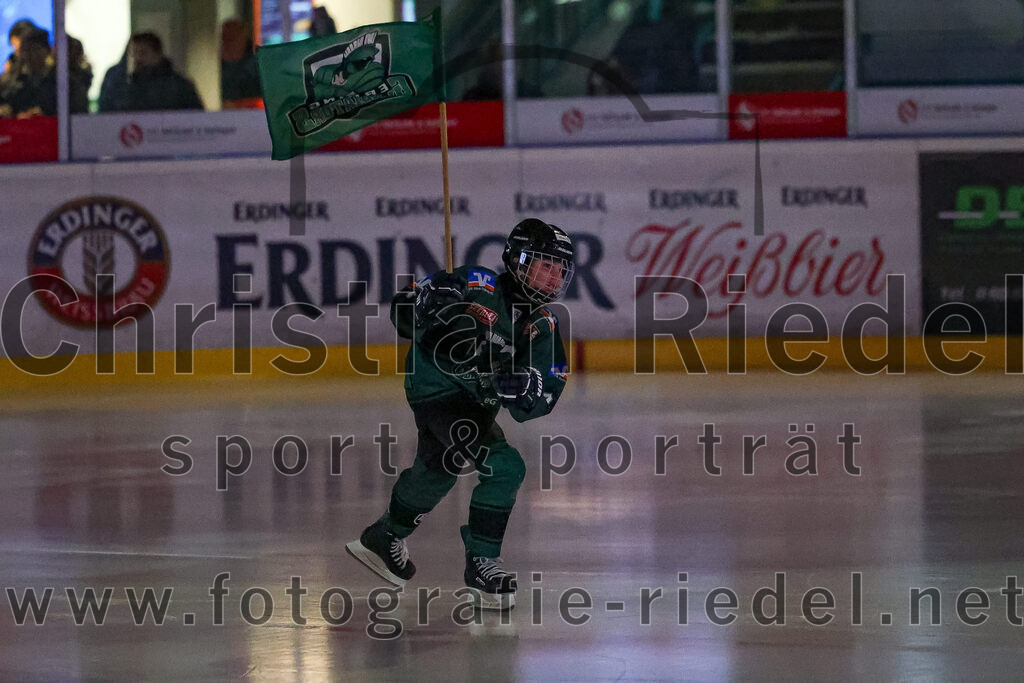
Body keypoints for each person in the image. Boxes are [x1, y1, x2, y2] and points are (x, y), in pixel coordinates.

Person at [346, 219, 575, 611]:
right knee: (505, 467)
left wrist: (528, 388)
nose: (554, 277)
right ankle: (482, 564)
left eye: (560, 269)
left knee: (437, 470)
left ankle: (383, 537)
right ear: (518, 261)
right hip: (438, 390)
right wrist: (421, 303)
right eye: (546, 264)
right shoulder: (477, 284)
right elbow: (402, 314)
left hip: (475, 405)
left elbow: (545, 391)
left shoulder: (543, 325)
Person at [99, 32, 203, 112]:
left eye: (143, 53)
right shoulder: (122, 84)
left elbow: (194, 116)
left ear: (158, 54)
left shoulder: (179, 86)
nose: (137, 58)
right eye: (133, 54)